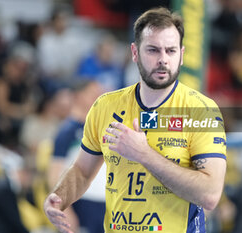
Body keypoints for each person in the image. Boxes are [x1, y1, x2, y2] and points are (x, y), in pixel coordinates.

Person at [44, 7, 227, 233]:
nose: (162, 60)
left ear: (181, 54)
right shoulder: (105, 106)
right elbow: (82, 171)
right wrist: (59, 197)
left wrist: (143, 154)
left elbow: (210, 195)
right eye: (153, 50)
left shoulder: (201, 110)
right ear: (135, 52)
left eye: (170, 51)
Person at [48, 80, 105, 233]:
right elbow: (54, 175)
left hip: (107, 203)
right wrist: (65, 212)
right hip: (84, 204)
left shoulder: (100, 127)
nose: (99, 97)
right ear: (79, 96)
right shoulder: (67, 131)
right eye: (94, 93)